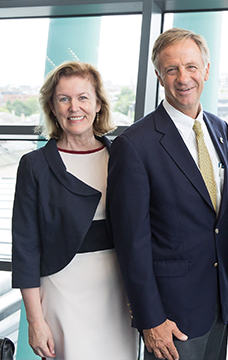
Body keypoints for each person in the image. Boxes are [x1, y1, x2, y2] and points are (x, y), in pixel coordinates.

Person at [107, 27, 228, 360]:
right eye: (172, 69)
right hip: (171, 315)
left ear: (206, 70)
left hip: (219, 302)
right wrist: (150, 319)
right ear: (158, 75)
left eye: (192, 66)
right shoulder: (134, 145)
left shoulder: (220, 130)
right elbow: (131, 242)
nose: (183, 77)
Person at [11, 61, 138, 359]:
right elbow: (26, 249)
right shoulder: (35, 166)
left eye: (83, 97)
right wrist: (34, 320)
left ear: (98, 104)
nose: (73, 107)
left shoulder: (122, 156)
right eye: (63, 99)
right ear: (52, 108)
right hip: (62, 295)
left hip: (118, 294)